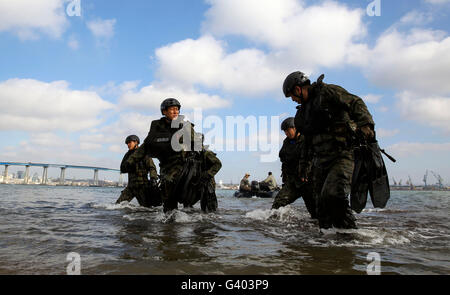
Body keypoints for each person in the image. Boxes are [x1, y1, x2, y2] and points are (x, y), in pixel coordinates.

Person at [283, 71, 375, 229]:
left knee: (334, 195)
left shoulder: (328, 92)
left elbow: (355, 103)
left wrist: (365, 126)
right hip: (321, 161)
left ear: (298, 89)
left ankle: (349, 235)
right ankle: (326, 242)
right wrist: (304, 166)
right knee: (321, 206)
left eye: (292, 95)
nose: (292, 99)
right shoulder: (302, 114)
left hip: (344, 154)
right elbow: (306, 141)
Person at [125, 98, 209, 213]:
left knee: (195, 196)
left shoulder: (185, 126)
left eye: (177, 109)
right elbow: (146, 145)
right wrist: (131, 161)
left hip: (184, 167)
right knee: (169, 205)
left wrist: (205, 159)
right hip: (166, 168)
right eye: (172, 109)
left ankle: (201, 217)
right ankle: (169, 227)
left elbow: (198, 145)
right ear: (164, 112)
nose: (175, 112)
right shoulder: (157, 127)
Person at [271, 117, 316, 218]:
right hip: (293, 181)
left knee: (316, 212)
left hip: (309, 181)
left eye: (288, 130)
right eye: (285, 131)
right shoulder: (286, 142)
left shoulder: (307, 139)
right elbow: (284, 159)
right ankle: (272, 226)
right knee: (278, 203)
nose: (286, 133)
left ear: (295, 128)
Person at [116, 135, 161, 207]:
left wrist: (153, 179)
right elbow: (122, 169)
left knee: (147, 209)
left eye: (129, 143)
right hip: (131, 187)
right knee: (117, 206)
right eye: (127, 143)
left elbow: (152, 167)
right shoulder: (127, 155)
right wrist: (129, 165)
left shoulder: (144, 153)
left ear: (136, 142)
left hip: (142, 187)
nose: (128, 145)